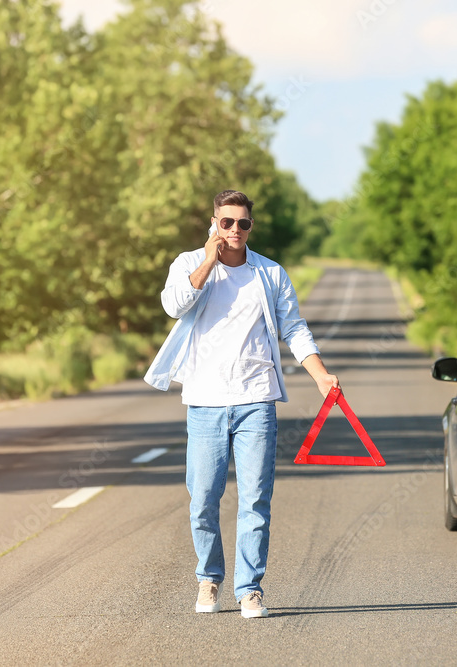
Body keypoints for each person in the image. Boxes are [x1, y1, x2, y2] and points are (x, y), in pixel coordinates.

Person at [144, 189, 339, 618]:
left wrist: (320, 375)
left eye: (242, 223)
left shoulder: (269, 274)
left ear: (251, 226)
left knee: (254, 500)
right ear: (214, 221)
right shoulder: (188, 264)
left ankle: (249, 589)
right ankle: (209, 578)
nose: (234, 230)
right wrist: (209, 261)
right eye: (226, 222)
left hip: (256, 400)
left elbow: (295, 328)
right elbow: (174, 305)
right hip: (205, 402)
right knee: (203, 500)